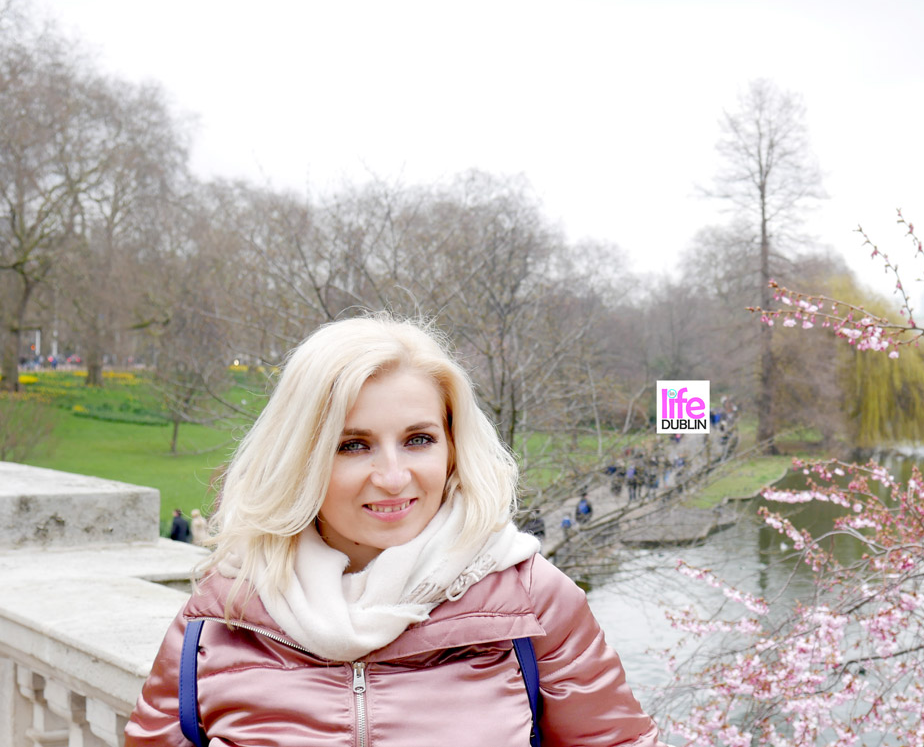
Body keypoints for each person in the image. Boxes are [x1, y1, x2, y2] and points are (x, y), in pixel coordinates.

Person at [124, 315, 660, 746]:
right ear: (300, 458)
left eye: (418, 439)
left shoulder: (532, 602)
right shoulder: (221, 612)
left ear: (452, 446)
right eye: (352, 445)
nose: (393, 477)